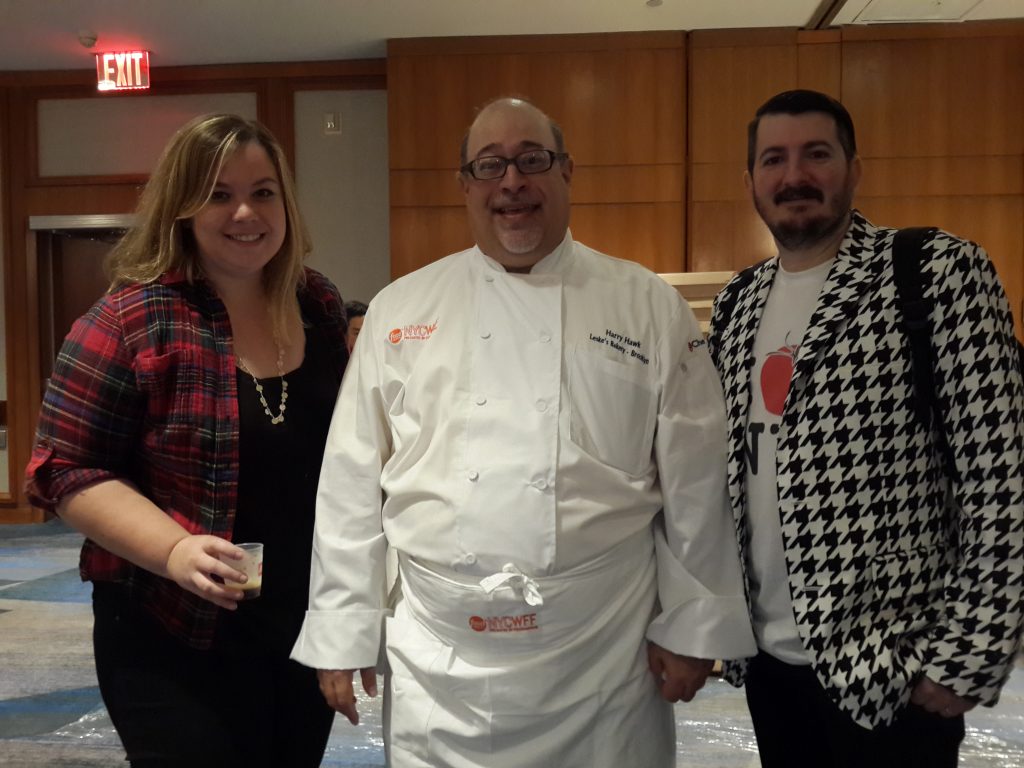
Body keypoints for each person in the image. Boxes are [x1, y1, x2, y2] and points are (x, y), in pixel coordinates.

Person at [290, 96, 756, 767]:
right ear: (466, 185)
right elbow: (351, 480)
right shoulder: (401, 309)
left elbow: (697, 476)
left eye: (532, 160)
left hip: (601, 653)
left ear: (566, 171)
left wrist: (694, 623)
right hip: (439, 659)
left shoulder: (646, 305)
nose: (511, 182)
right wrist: (342, 627)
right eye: (490, 165)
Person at [707, 89, 1024, 768]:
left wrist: (969, 653)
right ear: (750, 181)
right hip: (768, 664)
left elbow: (1002, 478)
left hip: (893, 671)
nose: (795, 176)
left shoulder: (934, 272)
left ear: (854, 168)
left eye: (816, 155)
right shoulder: (736, 302)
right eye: (774, 159)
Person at [25, 114, 348, 767]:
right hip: (170, 629)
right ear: (182, 207)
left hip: (299, 621)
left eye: (263, 192)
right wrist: (173, 550)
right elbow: (64, 470)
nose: (245, 212)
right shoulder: (130, 319)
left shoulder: (317, 302)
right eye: (219, 194)